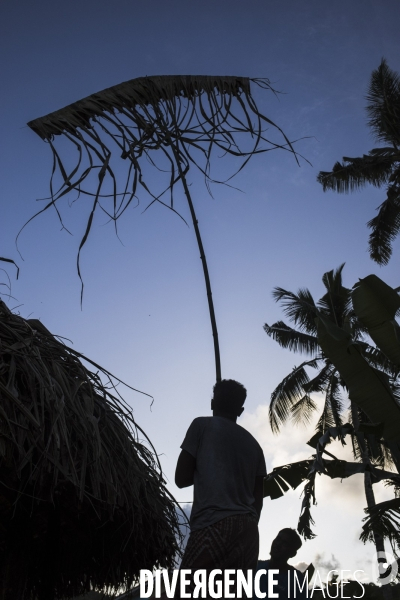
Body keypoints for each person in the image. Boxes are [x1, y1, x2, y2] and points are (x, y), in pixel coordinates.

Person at [175, 379, 267, 598]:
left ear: (212, 402)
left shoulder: (201, 425)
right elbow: (258, 500)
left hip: (213, 523)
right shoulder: (255, 446)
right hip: (248, 530)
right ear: (241, 410)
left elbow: (181, 478)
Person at [254, 529, 308, 599]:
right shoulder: (255, 566)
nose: (278, 544)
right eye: (278, 539)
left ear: (292, 554)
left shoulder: (297, 580)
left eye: (285, 544)